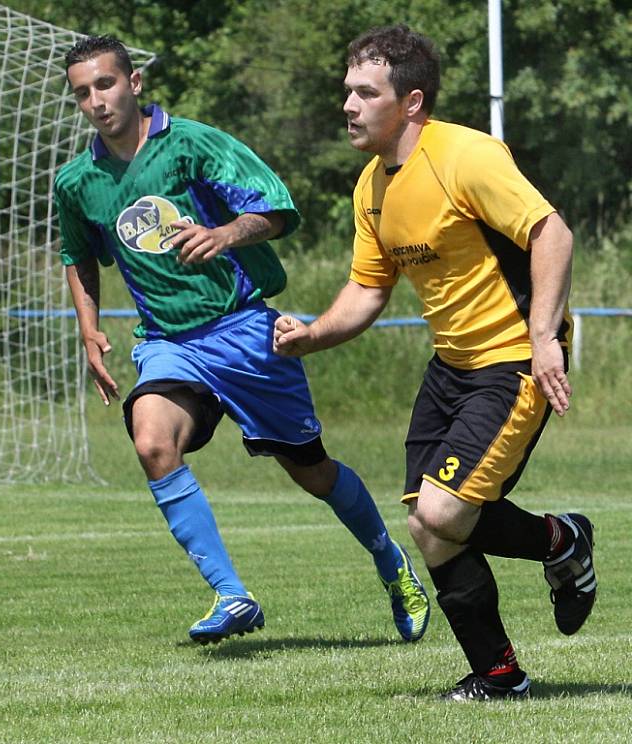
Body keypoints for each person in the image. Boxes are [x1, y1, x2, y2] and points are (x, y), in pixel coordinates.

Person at [53, 35, 430, 646]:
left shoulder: (195, 144)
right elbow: (78, 256)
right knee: (152, 443)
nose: (97, 100)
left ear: (135, 82)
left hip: (242, 331)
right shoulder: (78, 182)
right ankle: (232, 596)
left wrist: (226, 234)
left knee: (311, 472)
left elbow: (276, 211)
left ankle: (391, 562)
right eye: (83, 92)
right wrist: (89, 326)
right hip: (168, 342)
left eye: (106, 84)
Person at [274, 24, 596, 699]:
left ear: (411, 102)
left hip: (512, 359)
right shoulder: (372, 187)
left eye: (367, 92)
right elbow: (367, 288)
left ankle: (562, 542)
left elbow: (551, 233)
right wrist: (312, 334)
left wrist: (544, 337)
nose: (349, 105)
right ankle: (501, 669)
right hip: (451, 366)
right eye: (347, 91)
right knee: (427, 521)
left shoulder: (465, 157)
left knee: (446, 513)